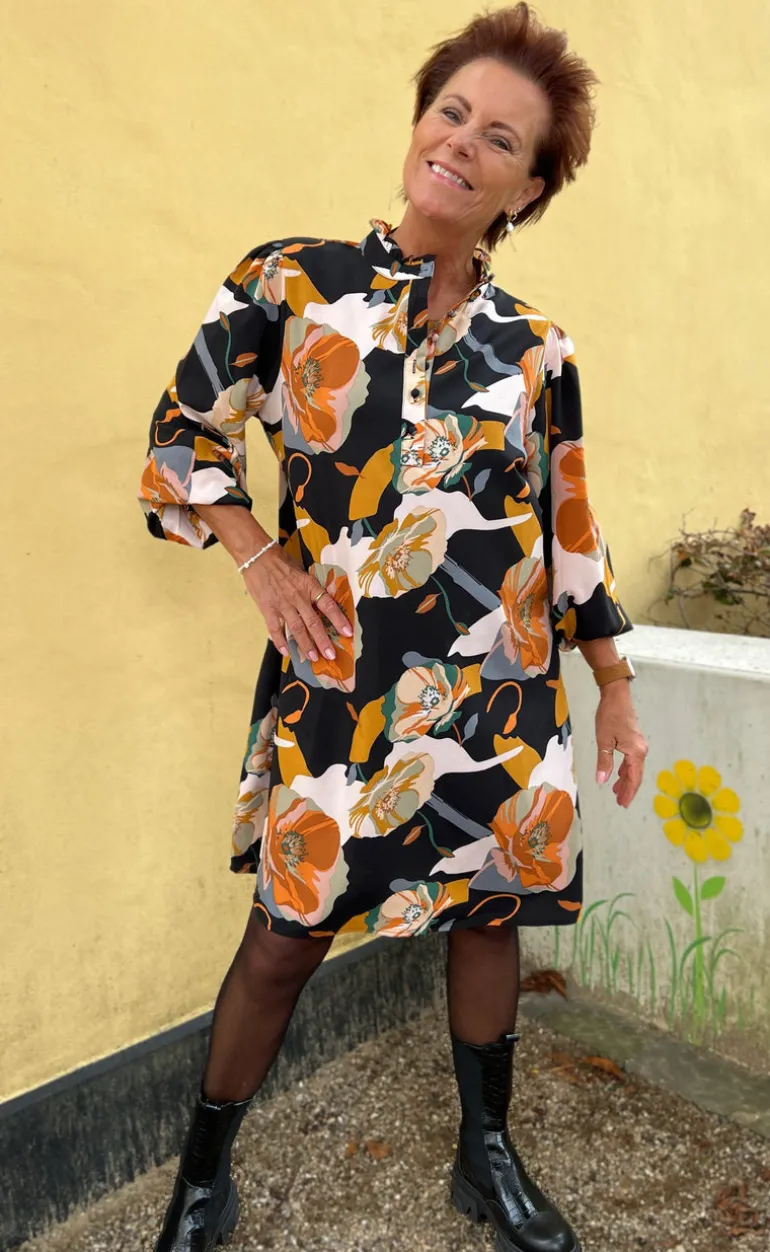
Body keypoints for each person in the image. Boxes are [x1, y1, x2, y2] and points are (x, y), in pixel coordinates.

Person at [138, 5, 648, 1250]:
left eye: (500, 139)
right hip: (341, 685)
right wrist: (257, 556)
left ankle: (487, 1154)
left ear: (528, 188)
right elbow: (181, 441)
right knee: (283, 939)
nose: (462, 143)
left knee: (489, 915)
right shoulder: (289, 284)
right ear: (419, 123)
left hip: (500, 689)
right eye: (450, 113)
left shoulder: (536, 350)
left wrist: (614, 686)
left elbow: (566, 527)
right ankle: (202, 1176)